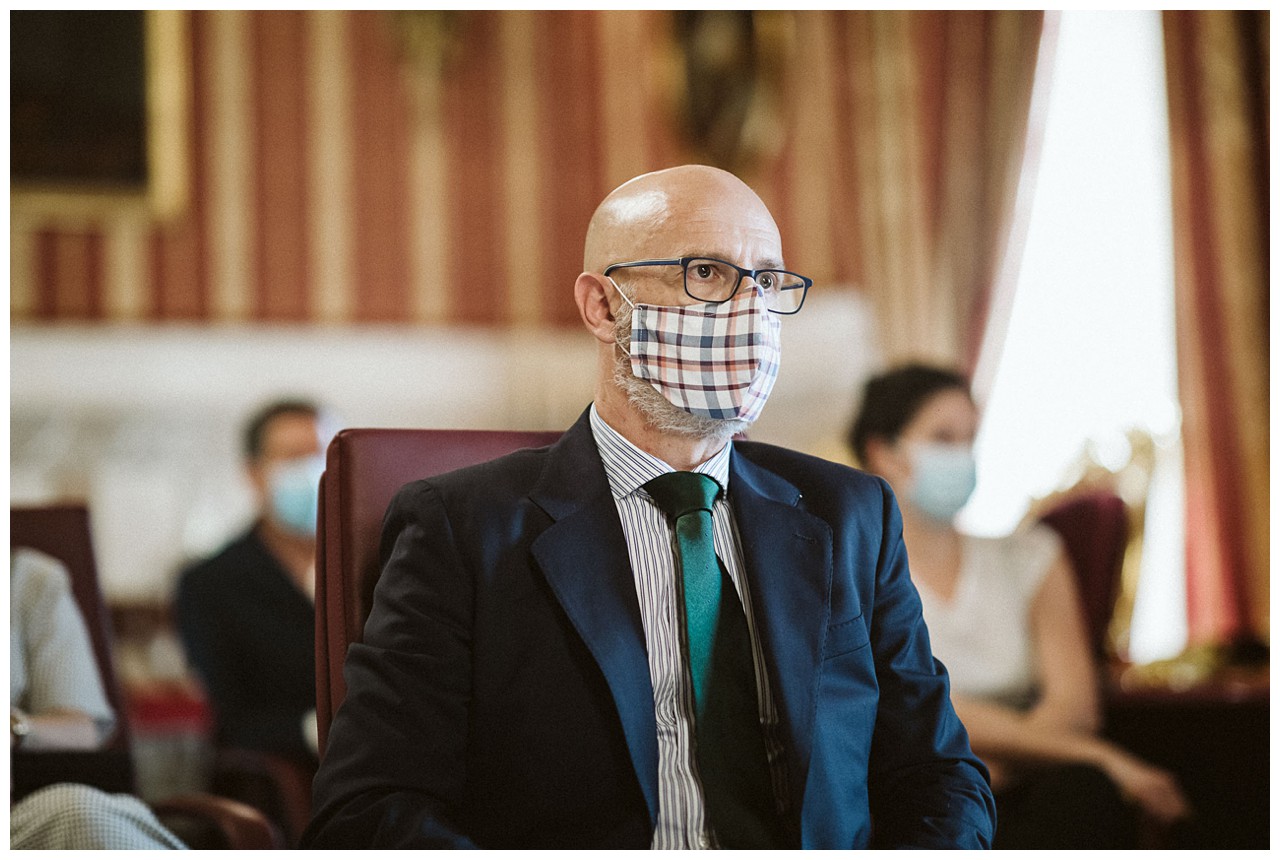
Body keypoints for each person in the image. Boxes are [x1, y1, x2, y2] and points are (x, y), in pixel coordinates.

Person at [849, 363, 1191, 848]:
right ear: (882, 452)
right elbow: (912, 705)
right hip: (914, 789)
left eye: (970, 437)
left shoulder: (1032, 555)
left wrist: (996, 770)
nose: (963, 454)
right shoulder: (851, 569)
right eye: (943, 438)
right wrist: (1103, 757)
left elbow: (1076, 708)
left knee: (1085, 794)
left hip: (1027, 781)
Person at [175, 398, 328, 765]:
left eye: (323, 456)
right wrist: (317, 730)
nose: (314, 471)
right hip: (280, 781)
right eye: (293, 458)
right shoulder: (210, 583)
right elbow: (228, 718)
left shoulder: (382, 565)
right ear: (254, 473)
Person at [11, 547, 187, 849]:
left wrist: (14, 728)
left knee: (81, 814)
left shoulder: (28, 579)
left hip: (19, 816)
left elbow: (85, 727)